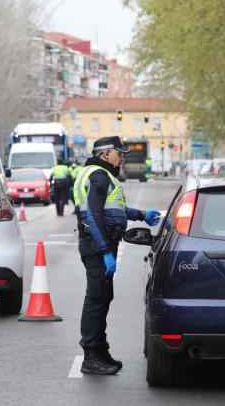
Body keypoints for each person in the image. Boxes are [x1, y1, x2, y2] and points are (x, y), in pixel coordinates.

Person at [73, 136, 161, 375]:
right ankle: (91, 356)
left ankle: (100, 351)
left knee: (102, 298)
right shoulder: (98, 176)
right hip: (97, 246)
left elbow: (114, 209)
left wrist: (141, 214)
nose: (122, 157)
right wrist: (105, 253)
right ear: (104, 154)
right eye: (118, 153)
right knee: (96, 300)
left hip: (98, 244)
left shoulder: (99, 174)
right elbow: (93, 215)